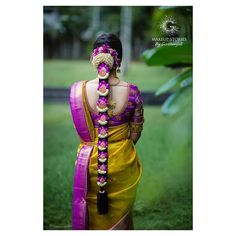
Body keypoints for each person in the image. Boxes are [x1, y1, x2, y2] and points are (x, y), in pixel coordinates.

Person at [69, 33, 144, 230]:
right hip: (122, 164)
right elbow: (135, 133)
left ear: (92, 58)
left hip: (89, 165)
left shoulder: (80, 91)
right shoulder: (132, 91)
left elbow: (83, 132)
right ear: (119, 60)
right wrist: (117, 148)